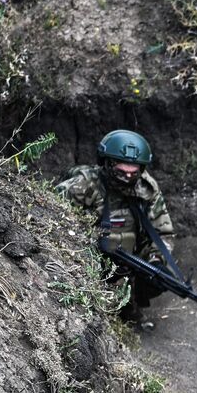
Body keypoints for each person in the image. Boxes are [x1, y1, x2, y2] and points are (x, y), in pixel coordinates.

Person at [56, 130, 176, 323]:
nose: (128, 178)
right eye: (121, 172)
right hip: (88, 259)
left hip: (129, 259)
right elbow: (50, 219)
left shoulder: (146, 188)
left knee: (158, 276)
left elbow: (162, 232)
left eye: (133, 172)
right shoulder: (83, 185)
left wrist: (156, 261)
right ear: (107, 163)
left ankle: (130, 306)